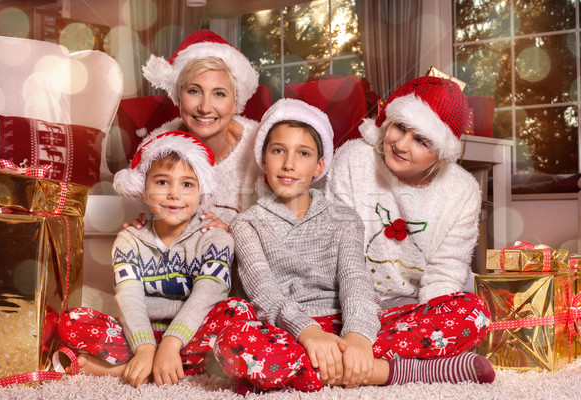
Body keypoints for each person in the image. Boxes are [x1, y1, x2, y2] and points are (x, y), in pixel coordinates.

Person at [212, 99, 495, 394]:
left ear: (320, 165)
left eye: (304, 153)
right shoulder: (246, 224)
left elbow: (355, 281)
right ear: (263, 158)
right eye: (278, 151)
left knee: (472, 310)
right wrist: (309, 333)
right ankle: (394, 370)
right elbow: (265, 295)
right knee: (231, 341)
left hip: (347, 323)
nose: (289, 164)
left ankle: (310, 371)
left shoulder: (344, 218)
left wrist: (358, 336)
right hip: (288, 330)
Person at [57, 131, 252, 387]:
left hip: (192, 332)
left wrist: (171, 342)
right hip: (140, 330)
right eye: (162, 182)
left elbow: (209, 292)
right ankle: (152, 362)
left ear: (200, 193)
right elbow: (129, 295)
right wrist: (145, 347)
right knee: (70, 320)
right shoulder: (130, 239)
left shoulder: (215, 238)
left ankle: (124, 369)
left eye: (187, 184)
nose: (174, 194)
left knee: (240, 313)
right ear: (143, 190)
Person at [325, 76, 492, 359]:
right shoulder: (353, 160)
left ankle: (359, 359)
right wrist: (359, 326)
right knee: (305, 321)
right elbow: (341, 255)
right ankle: (394, 360)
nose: (401, 145)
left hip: (414, 305)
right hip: (349, 301)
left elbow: (446, 270)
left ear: (440, 154)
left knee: (475, 314)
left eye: (420, 140)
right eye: (400, 127)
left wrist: (431, 316)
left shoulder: (462, 190)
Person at [135, 29, 263, 230]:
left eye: (219, 94)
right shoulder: (156, 149)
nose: (204, 107)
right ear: (178, 97)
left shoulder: (262, 146)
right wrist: (146, 229)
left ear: (235, 103)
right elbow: (149, 218)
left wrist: (232, 235)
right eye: (194, 91)